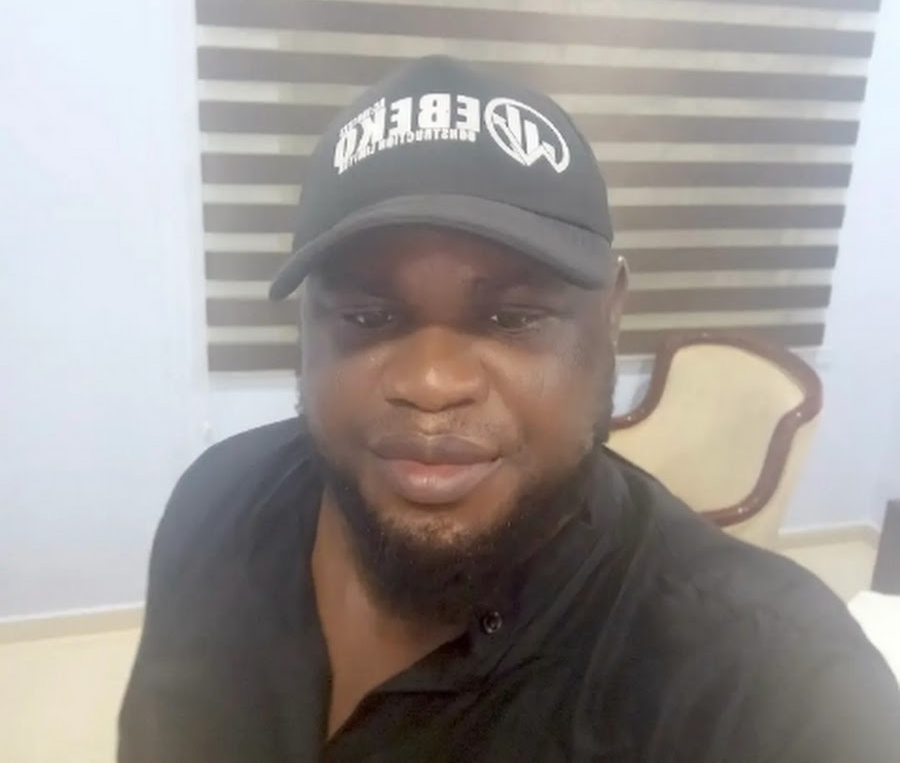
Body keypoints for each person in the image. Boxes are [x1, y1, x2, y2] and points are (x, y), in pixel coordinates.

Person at [119, 55, 900, 762]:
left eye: (513, 318)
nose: (431, 382)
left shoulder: (766, 684)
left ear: (611, 314)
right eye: (366, 315)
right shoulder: (216, 503)